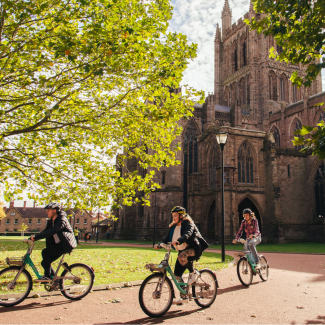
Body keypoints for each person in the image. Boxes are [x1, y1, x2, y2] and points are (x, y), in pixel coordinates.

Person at [154, 206, 209, 303]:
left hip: (194, 249)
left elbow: (187, 234)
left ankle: (193, 272)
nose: (174, 218)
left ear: (181, 216)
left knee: (182, 256)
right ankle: (184, 295)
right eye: (173, 216)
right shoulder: (173, 227)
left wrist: (179, 241)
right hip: (183, 251)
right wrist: (159, 244)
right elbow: (167, 238)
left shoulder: (188, 223)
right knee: (177, 275)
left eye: (175, 216)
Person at [31, 202, 77, 282]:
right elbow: (45, 232)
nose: (47, 212)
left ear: (54, 211)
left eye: (49, 210)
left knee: (45, 252)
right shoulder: (51, 221)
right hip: (59, 245)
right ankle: (56, 281)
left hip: (65, 245)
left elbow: (53, 231)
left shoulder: (61, 220)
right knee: (45, 263)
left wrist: (36, 237)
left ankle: (48, 276)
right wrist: (32, 238)